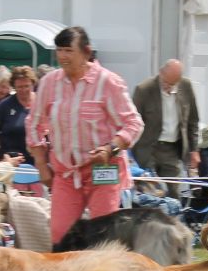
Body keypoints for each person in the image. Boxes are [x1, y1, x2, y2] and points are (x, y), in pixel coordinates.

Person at [26, 26, 144, 243]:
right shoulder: (49, 83)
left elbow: (134, 123)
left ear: (86, 52)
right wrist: (42, 165)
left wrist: (111, 148)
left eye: (68, 51)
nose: (62, 56)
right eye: (59, 50)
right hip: (66, 172)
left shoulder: (109, 82)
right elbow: (33, 124)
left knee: (102, 234)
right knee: (60, 233)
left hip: (103, 169)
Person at [131, 58, 200, 198]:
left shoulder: (186, 87)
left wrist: (194, 150)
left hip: (172, 150)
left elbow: (193, 121)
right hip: (148, 149)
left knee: (173, 192)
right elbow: (132, 122)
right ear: (160, 73)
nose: (169, 87)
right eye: (166, 83)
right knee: (153, 193)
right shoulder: (144, 89)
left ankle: (173, 218)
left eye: (173, 84)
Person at [0, 65, 36, 162]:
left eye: (26, 86)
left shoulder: (41, 103)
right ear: (13, 87)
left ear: (32, 84)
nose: (24, 90)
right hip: (13, 162)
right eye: (20, 87)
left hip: (38, 162)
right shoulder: (4, 106)